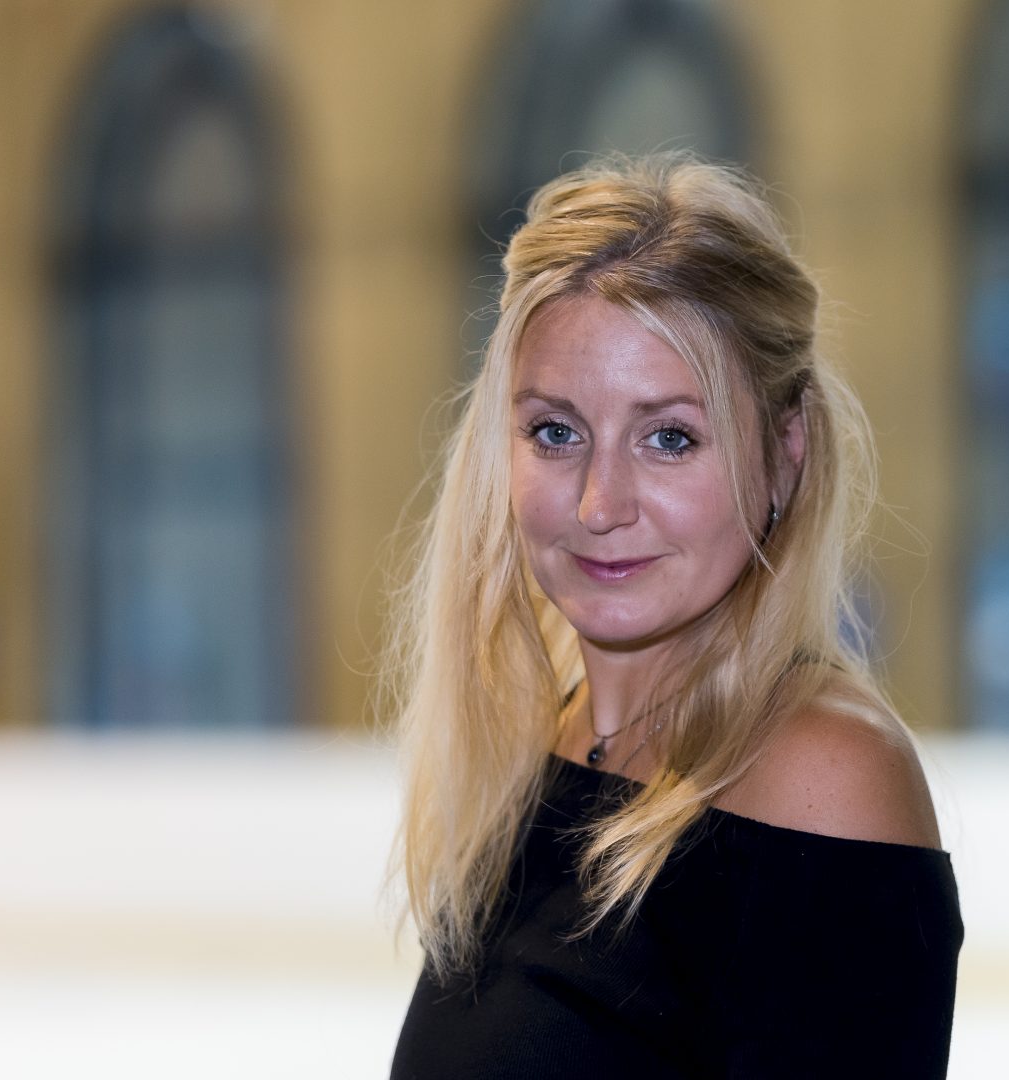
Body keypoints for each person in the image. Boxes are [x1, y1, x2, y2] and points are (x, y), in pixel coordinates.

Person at [385, 153, 962, 1079]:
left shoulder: (823, 779)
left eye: (669, 437)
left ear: (784, 455)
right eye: (556, 431)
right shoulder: (548, 740)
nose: (599, 503)